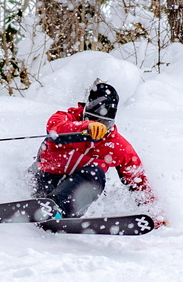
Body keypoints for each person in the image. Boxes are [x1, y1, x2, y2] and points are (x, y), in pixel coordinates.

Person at [29, 82, 161, 221]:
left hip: (71, 198)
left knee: (96, 174)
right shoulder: (66, 118)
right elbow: (55, 128)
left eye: (105, 124)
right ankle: (43, 206)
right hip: (43, 179)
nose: (99, 128)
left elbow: (138, 180)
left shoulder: (115, 145)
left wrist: (155, 214)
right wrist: (85, 127)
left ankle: (57, 211)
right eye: (93, 120)